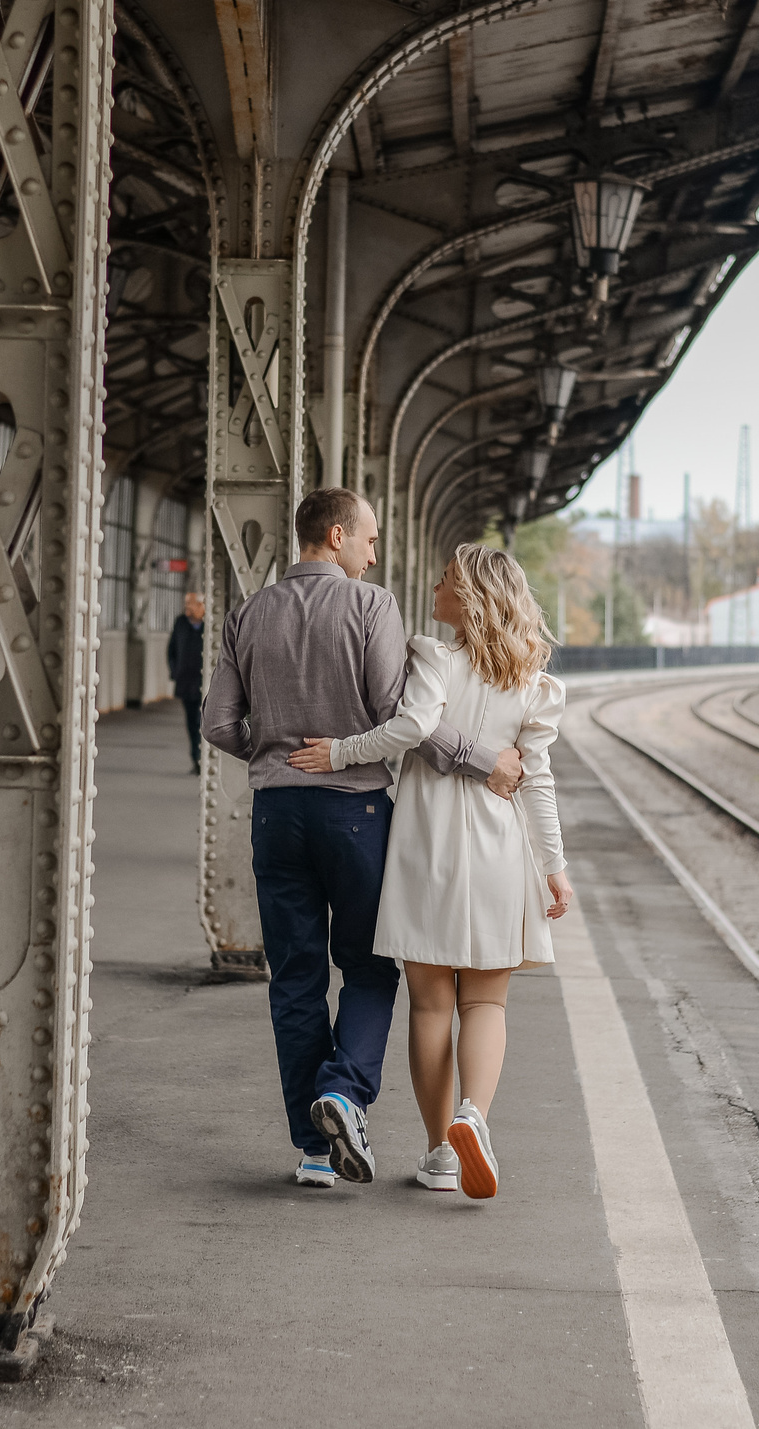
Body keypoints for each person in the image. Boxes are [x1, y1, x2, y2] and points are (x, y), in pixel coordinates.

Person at [201, 488, 524, 1190]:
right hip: (355, 814)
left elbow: (219, 725)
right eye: (370, 541)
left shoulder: (248, 613)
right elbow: (400, 716)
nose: (374, 555)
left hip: (276, 815)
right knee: (370, 968)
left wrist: (274, 750)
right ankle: (344, 1092)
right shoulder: (371, 605)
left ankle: (314, 1152)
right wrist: (484, 760)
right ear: (339, 535)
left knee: (293, 977)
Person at [287, 543, 572, 1201]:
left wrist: (340, 753)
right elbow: (538, 782)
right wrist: (555, 868)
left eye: (445, 581)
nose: (436, 588)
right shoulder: (535, 682)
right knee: (486, 1001)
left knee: (432, 1004)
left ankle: (442, 1149)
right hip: (500, 850)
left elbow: (412, 726)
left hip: (425, 849)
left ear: (466, 600)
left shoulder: (434, 658)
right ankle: (475, 1113)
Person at [168, 591, 206, 770]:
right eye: (186, 604)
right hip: (185, 682)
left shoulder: (211, 625)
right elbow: (172, 650)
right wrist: (175, 672)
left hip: (205, 684)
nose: (187, 607)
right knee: (191, 722)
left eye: (191, 604)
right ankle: (196, 759)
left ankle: (204, 760)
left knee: (203, 722)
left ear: (202, 606)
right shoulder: (181, 623)